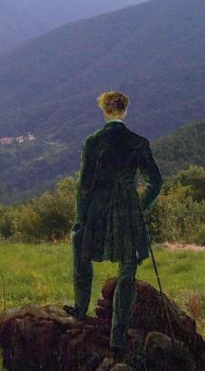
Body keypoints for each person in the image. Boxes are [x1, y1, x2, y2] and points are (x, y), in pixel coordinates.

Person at [67, 90, 163, 359]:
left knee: (81, 251)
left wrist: (80, 219)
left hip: (97, 210)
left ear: (105, 110)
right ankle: (118, 338)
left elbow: (84, 186)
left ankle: (79, 309)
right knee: (127, 270)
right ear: (125, 110)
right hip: (127, 212)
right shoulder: (138, 142)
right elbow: (156, 182)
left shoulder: (94, 142)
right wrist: (139, 208)